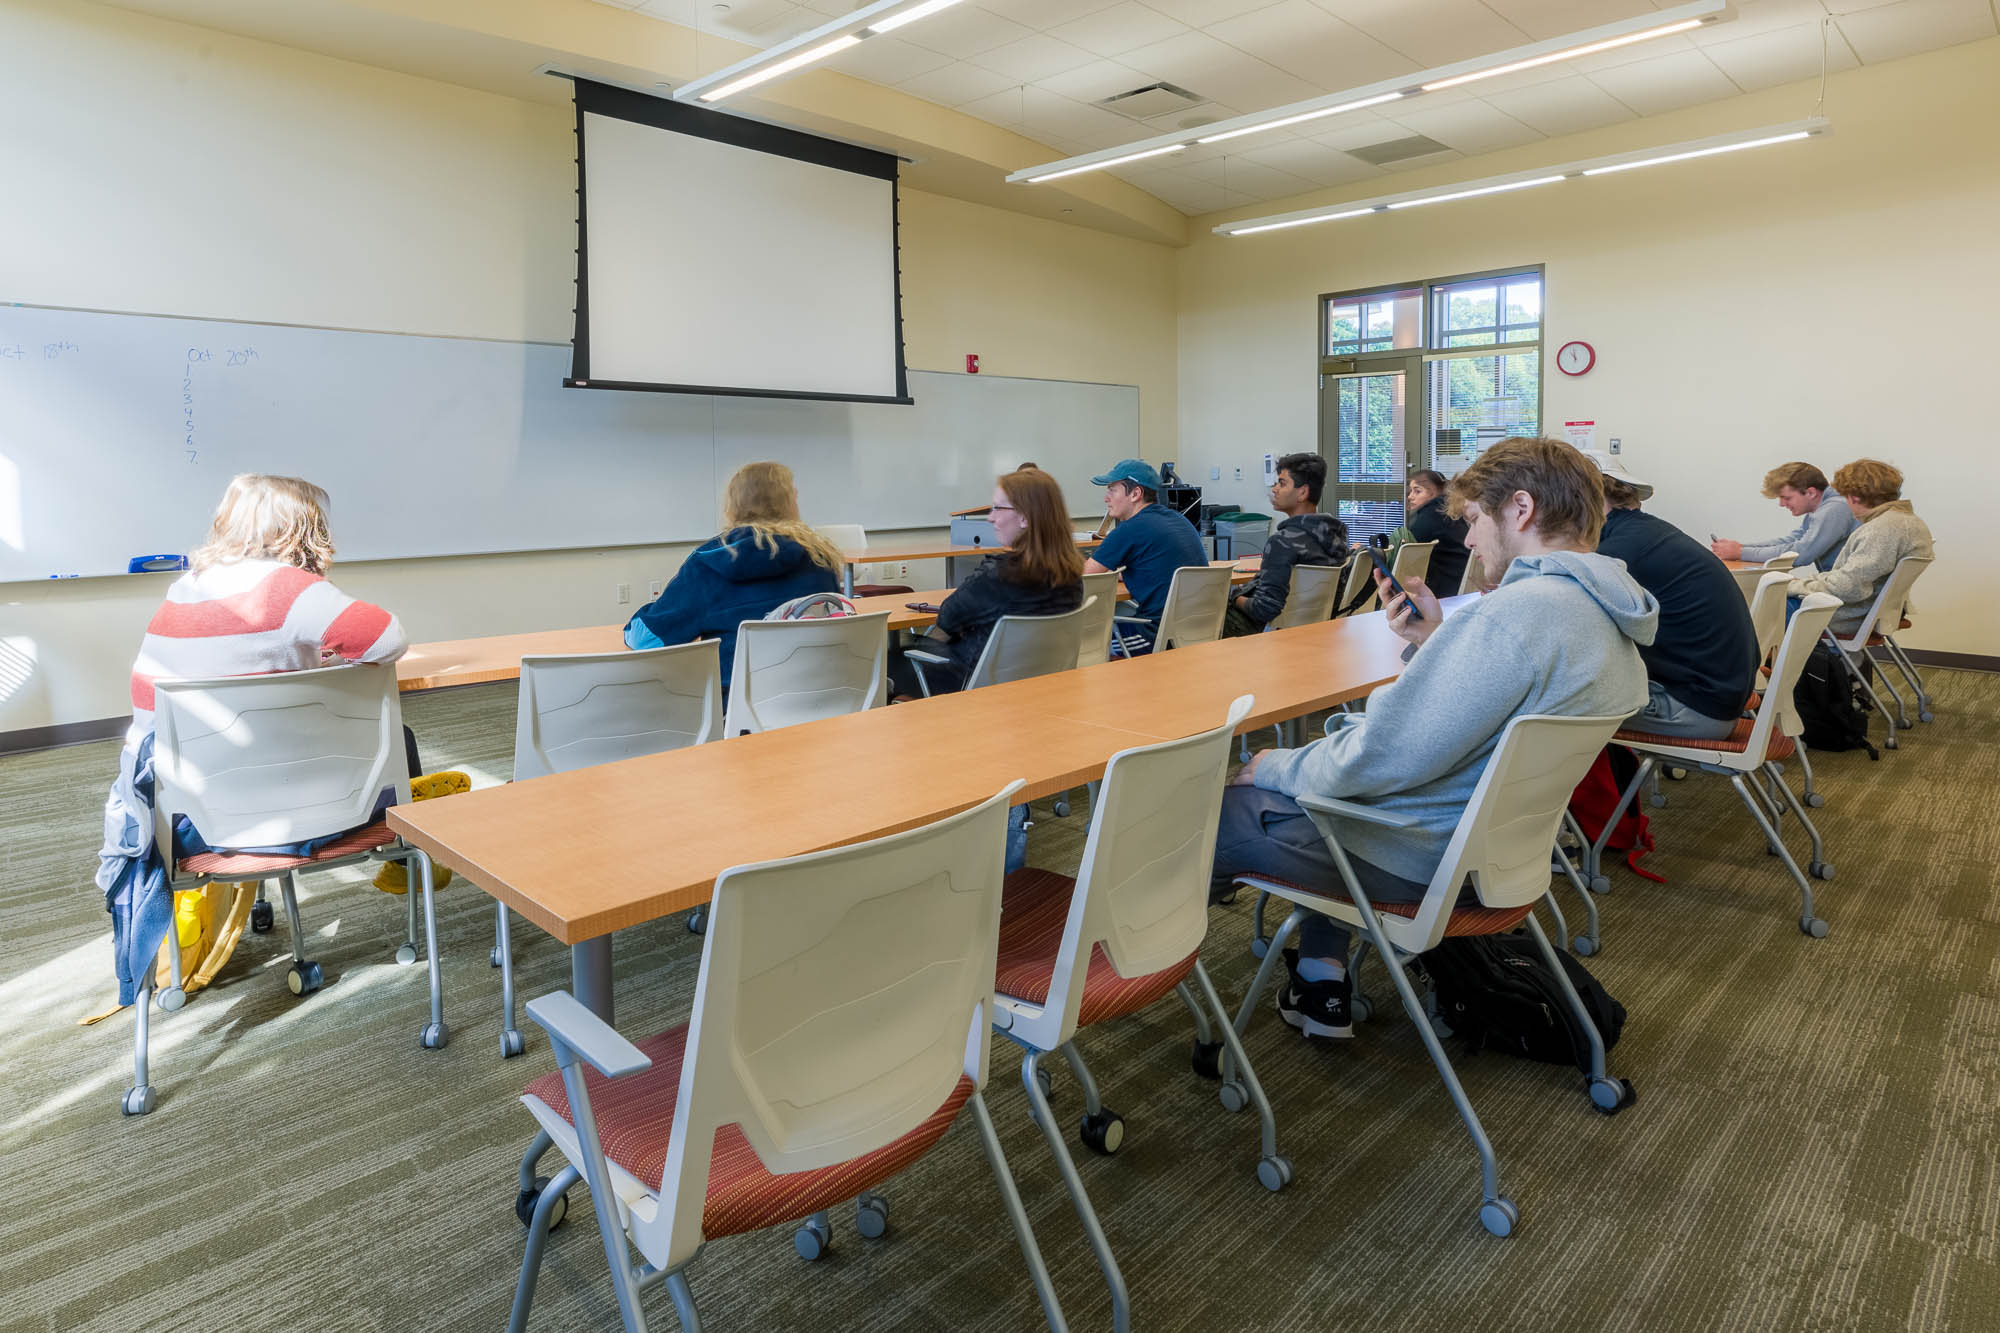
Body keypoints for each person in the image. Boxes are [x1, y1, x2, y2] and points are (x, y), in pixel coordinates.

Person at [1210, 438, 1658, 1040]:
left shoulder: (1512, 616)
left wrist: (1273, 766)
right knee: (1319, 791)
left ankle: (1119, 974)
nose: (1468, 540)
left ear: (1520, 508)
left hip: (1418, 857)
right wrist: (1436, 643)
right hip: (1496, 854)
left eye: (1474, 520)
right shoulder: (1603, 611)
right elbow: (1487, 713)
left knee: (1224, 811)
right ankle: (1320, 977)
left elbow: (1377, 759)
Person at [101, 475, 422, 1006]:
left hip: (187, 825)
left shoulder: (185, 588)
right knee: (395, 739)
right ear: (304, 530)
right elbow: (389, 639)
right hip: (311, 814)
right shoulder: (290, 589)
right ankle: (406, 857)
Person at [1583, 451, 1758, 741]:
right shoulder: (1646, 532)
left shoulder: (1618, 552)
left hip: (1695, 710)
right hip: (1718, 697)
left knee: (1551, 706)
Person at [625, 461, 843, 688]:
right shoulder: (819, 558)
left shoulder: (708, 562)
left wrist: (648, 613)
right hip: (818, 697)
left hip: (734, 704)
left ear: (733, 505)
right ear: (789, 504)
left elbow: (647, 640)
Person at [889, 468, 1085, 696]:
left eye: (997, 508)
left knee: (885, 662)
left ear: (1024, 517)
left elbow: (948, 617)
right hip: (1038, 688)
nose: (990, 517)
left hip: (972, 685)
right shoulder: (1072, 577)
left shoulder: (999, 576)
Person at [1787, 459, 1933, 638]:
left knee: (1768, 606)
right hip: (1870, 611)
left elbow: (1847, 587)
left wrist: (1792, 586)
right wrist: (1803, 583)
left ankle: (1793, 656)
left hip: (1847, 615)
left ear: (1854, 497)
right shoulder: (1910, 522)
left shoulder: (1881, 530)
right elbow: (1851, 578)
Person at [1082, 458, 1207, 654]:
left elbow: (1084, 578)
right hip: (1197, 631)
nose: (1106, 498)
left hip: (1155, 635)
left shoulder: (1129, 529)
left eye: (1112, 490)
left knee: (1082, 645)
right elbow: (1158, 569)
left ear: (1135, 494)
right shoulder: (1178, 520)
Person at [1223, 452, 1348, 637]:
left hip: (1266, 633)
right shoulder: (1335, 537)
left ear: (1302, 492)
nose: (1275, 489)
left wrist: (1234, 596)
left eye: (1282, 484)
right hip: (1315, 631)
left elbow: (1264, 609)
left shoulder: (1281, 542)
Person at [1710, 461, 1857, 572]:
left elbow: (1800, 553)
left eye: (1786, 498)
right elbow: (1791, 540)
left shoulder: (1834, 509)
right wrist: (1741, 547)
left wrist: (1740, 553)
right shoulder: (1821, 509)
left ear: (1811, 493)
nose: (1781, 504)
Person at [1401, 468, 1472, 594]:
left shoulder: (1430, 516)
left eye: (1417, 491)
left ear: (1434, 493)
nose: (1410, 497)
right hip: (1461, 585)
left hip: (1444, 591)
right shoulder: (1450, 511)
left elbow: (1403, 555)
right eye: (1411, 491)